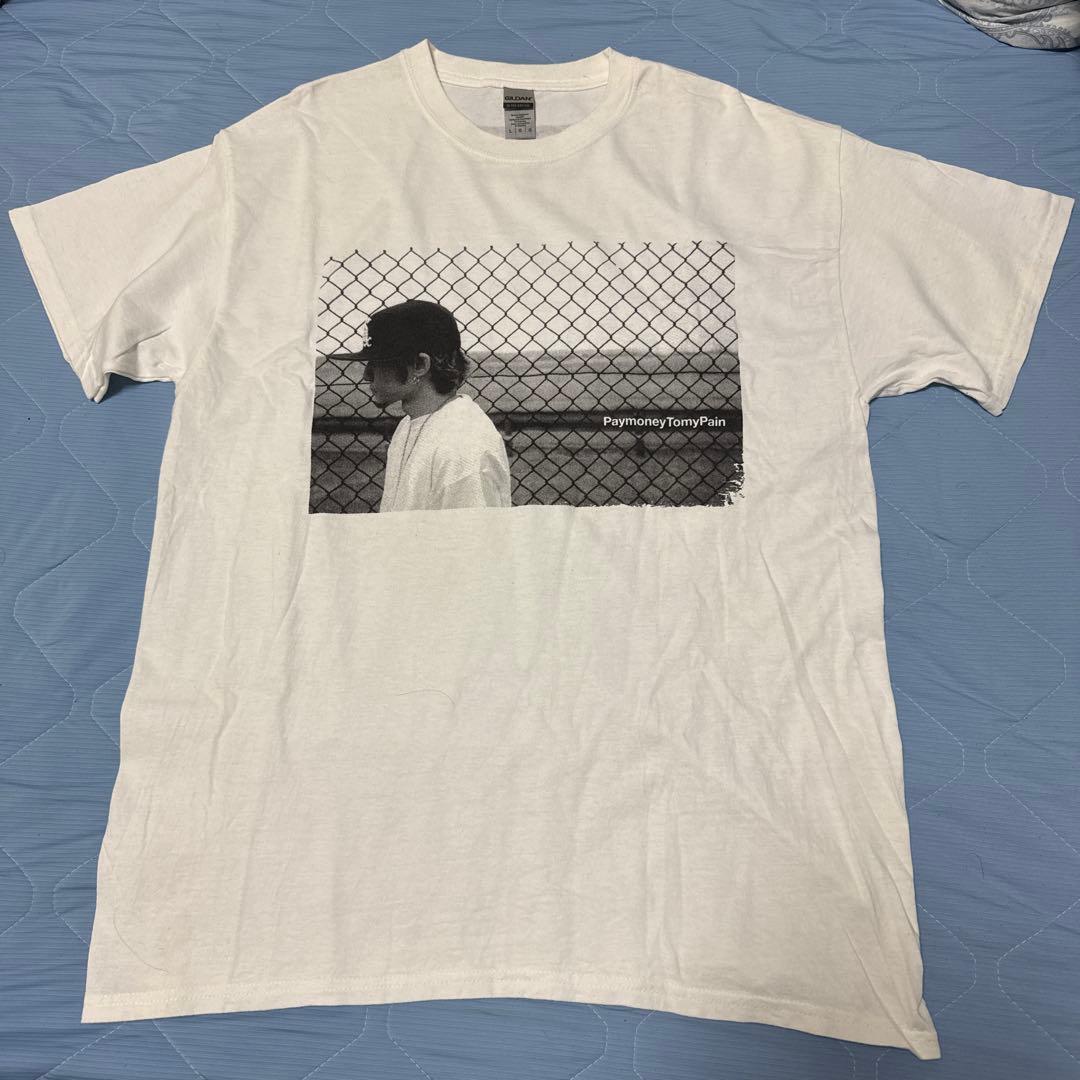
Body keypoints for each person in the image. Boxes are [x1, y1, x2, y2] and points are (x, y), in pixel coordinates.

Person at [327, 299, 513, 512]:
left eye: (378, 362)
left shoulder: (463, 447)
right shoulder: (408, 424)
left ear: (420, 365)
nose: (367, 375)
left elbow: (470, 534)